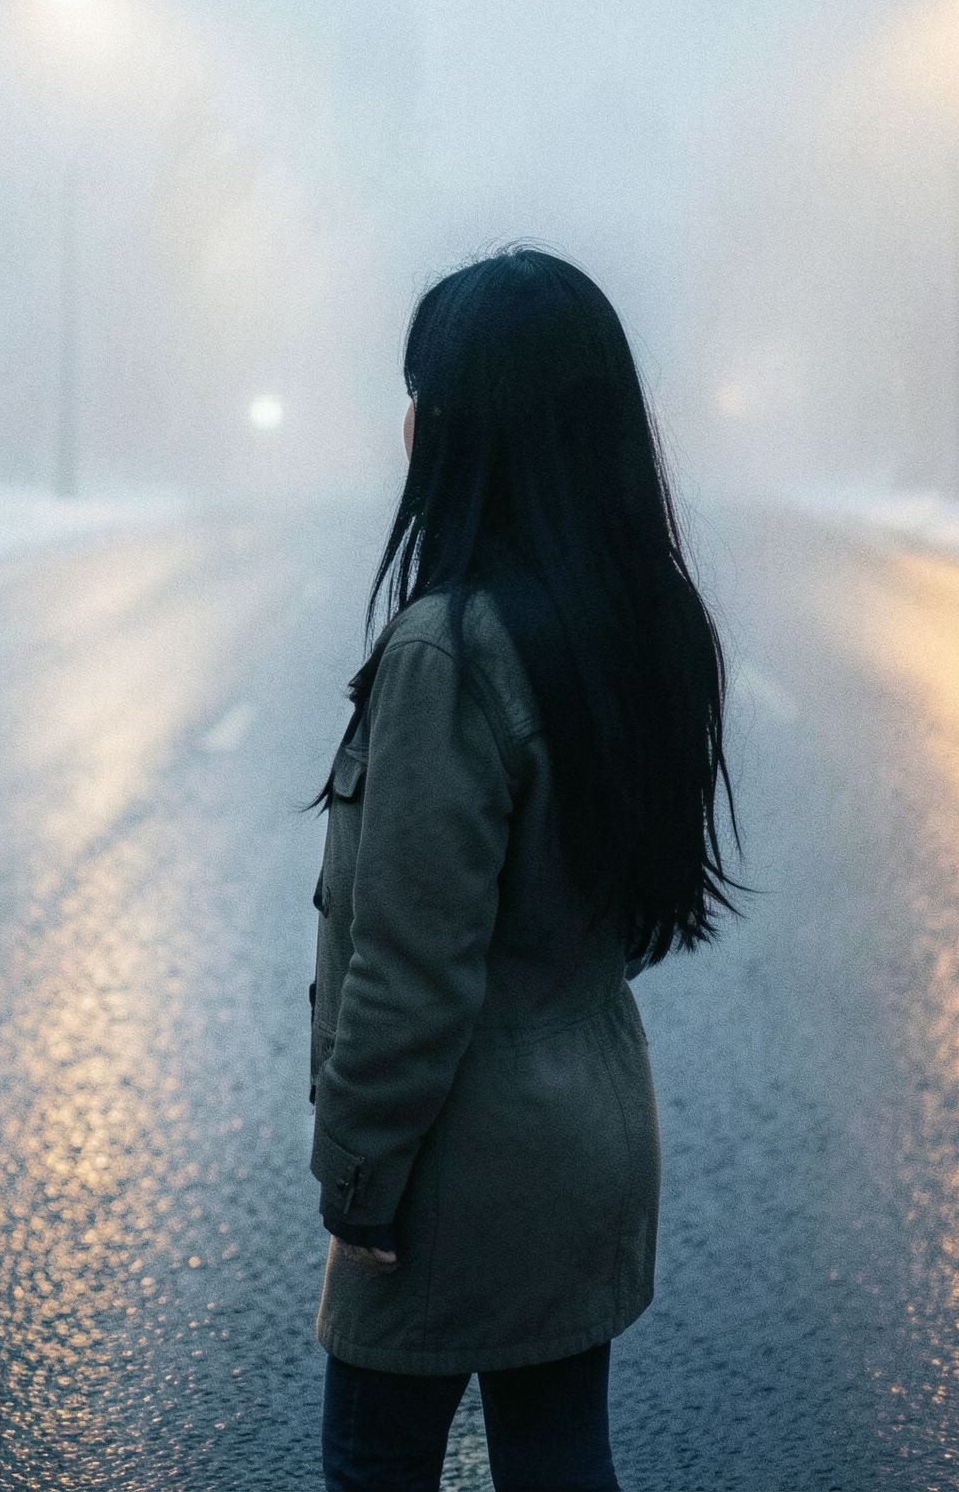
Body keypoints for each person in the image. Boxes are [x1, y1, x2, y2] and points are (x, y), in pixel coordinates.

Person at [307, 246, 739, 1491]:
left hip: (450, 1180)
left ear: (464, 424)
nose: (406, 419)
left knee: (374, 1466)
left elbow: (406, 974)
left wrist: (358, 1183)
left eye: (422, 392)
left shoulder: (446, 652)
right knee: (558, 1467)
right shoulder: (641, 618)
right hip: (587, 1153)